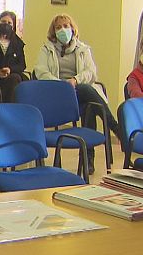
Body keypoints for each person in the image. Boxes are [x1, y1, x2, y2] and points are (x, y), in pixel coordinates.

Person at [34, 13, 120, 173]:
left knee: (89, 106)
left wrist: (75, 79)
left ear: (73, 29)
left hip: (78, 91)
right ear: (53, 31)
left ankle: (88, 160)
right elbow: (41, 72)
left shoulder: (83, 49)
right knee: (88, 92)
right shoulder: (46, 49)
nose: (62, 30)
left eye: (66, 26)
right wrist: (62, 85)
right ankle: (113, 126)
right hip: (57, 94)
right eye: (58, 27)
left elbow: (91, 72)